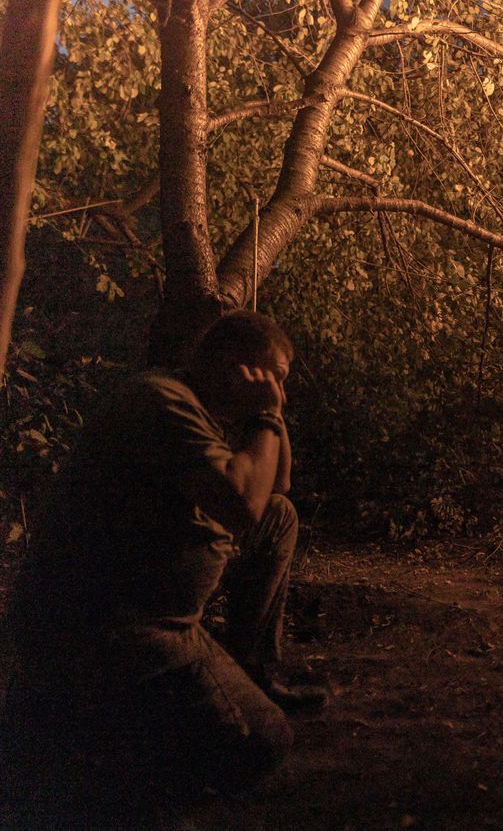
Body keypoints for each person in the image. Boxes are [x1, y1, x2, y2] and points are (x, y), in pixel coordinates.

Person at [3, 311, 322, 809]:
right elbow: (242, 503)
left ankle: (250, 667)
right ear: (229, 364)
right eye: (270, 375)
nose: (276, 389)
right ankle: (95, 766)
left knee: (280, 516)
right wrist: (264, 416)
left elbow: (274, 489)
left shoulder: (202, 412)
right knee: (262, 742)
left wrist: (271, 413)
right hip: (113, 630)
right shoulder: (162, 402)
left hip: (162, 618)